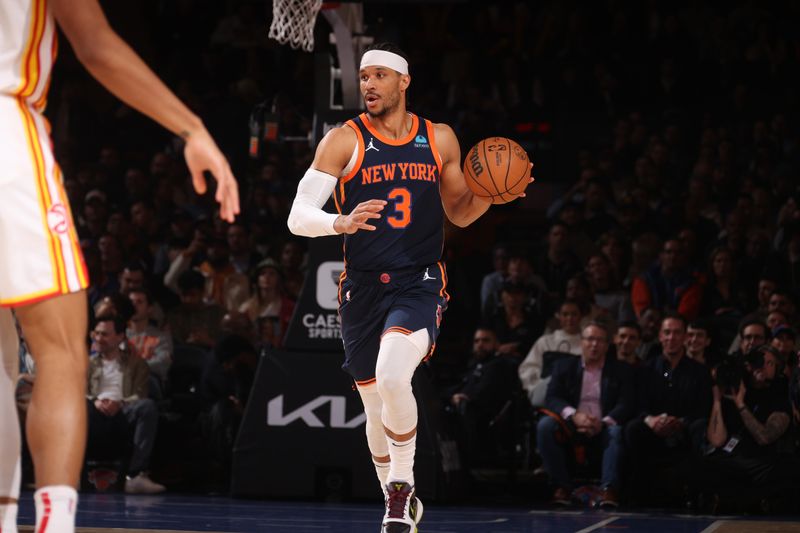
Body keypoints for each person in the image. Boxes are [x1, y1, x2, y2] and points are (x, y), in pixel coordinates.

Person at [0, 1, 239, 530]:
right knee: (60, 351)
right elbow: (96, 44)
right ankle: (54, 524)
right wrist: (192, 128)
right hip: (6, 130)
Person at [286, 42, 531, 532]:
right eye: (364, 77)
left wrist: (492, 195)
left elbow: (460, 210)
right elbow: (297, 217)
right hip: (361, 288)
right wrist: (340, 222)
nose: (369, 85)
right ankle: (397, 499)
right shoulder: (343, 140)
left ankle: (401, 490)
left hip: (418, 282)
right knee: (374, 407)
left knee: (396, 376)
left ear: (404, 81)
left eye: (379, 76)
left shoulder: (438, 138)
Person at [537, 322, 634, 508]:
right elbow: (553, 398)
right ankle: (561, 487)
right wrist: (574, 415)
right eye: (590, 339)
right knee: (545, 426)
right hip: (571, 424)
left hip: (604, 425)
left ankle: (609, 489)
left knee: (616, 432)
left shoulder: (621, 370)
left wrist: (603, 423)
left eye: (599, 340)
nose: (594, 345)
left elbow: (626, 403)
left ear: (607, 345)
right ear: (581, 342)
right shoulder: (563, 366)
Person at [623, 314, 712, 505]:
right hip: (653, 429)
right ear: (660, 337)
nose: (671, 337)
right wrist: (651, 420)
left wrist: (681, 422)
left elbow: (703, 408)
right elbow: (638, 405)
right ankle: (638, 493)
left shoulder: (700, 371)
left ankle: (697, 494)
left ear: (685, 337)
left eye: (677, 332)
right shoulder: (645, 369)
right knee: (633, 428)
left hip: (685, 430)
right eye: (667, 332)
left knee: (701, 427)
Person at [86, 315, 164, 494]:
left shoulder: (137, 364)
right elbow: (78, 391)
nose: (98, 339)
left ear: (120, 336)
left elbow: (140, 394)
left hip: (124, 412)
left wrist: (120, 403)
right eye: (96, 334)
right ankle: (71, 474)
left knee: (148, 407)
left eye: (105, 334)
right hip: (94, 414)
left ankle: (135, 476)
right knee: (80, 406)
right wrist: (95, 401)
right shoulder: (86, 364)